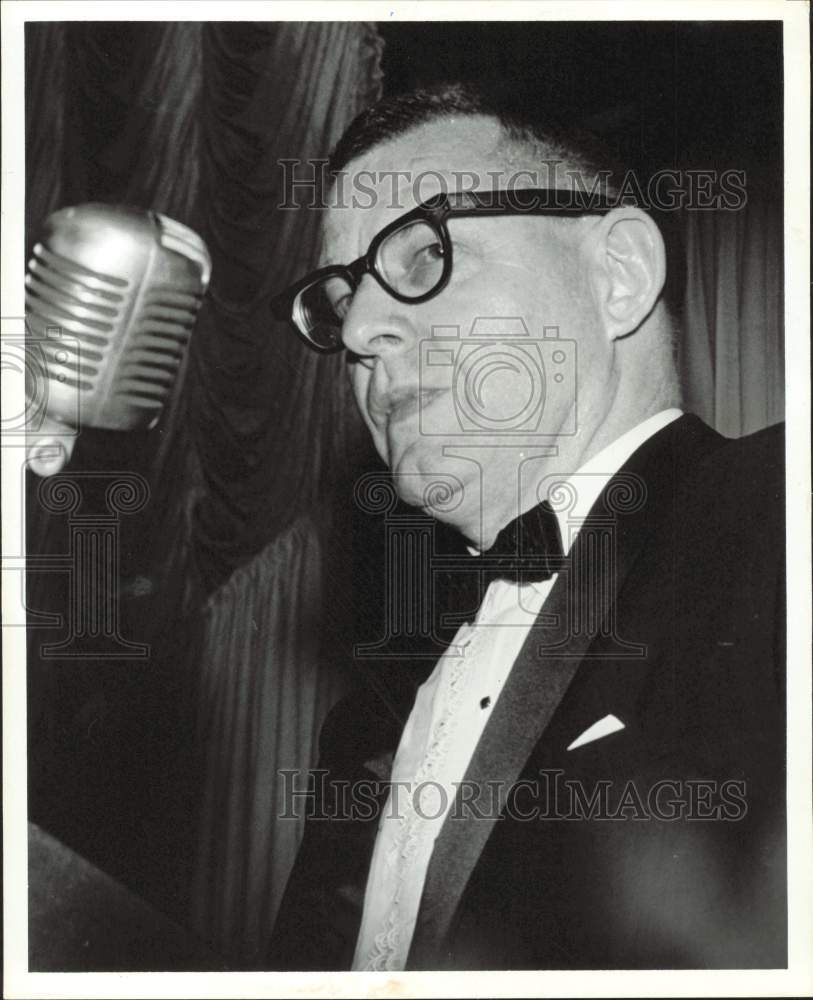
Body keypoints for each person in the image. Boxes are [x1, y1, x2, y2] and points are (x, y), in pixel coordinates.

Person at [266, 84, 786, 971]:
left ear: (616, 275)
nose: (358, 329)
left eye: (423, 254)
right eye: (342, 293)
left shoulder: (777, 518)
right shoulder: (367, 722)